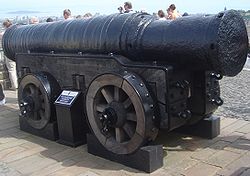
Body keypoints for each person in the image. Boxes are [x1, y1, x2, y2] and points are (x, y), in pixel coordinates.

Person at [1, 19, 18, 90]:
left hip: (9, 52)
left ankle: (14, 86)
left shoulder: (5, 33)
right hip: (17, 52)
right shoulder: (16, 31)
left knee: (11, 69)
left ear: (5, 26)